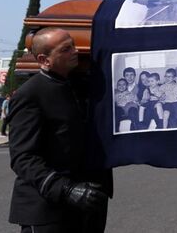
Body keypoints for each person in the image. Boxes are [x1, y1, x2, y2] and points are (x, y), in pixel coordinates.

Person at [7, 27, 111, 232]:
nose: (75, 51)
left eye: (73, 45)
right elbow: (23, 157)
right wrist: (66, 189)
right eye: (65, 49)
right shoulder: (30, 94)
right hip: (48, 209)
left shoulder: (77, 86)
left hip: (88, 201)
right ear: (45, 60)